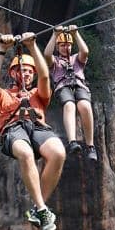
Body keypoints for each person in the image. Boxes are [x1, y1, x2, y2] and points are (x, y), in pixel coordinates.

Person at [0, 32, 66, 230]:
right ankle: (41, 209)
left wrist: (32, 46)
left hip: (38, 128)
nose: (27, 74)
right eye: (22, 70)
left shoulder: (38, 95)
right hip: (13, 130)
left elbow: (46, 75)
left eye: (30, 71)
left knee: (58, 153)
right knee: (26, 153)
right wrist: (2, 51)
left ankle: (39, 207)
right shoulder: (3, 96)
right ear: (13, 73)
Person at [44, 25, 97, 161]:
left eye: (68, 45)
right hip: (63, 87)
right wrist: (55, 35)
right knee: (69, 106)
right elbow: (47, 54)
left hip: (80, 86)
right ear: (57, 46)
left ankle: (90, 146)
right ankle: (72, 141)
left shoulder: (76, 59)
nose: (65, 47)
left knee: (85, 106)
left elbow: (85, 51)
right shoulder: (54, 61)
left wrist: (76, 34)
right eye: (62, 45)